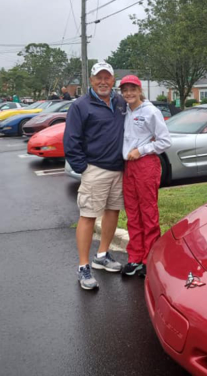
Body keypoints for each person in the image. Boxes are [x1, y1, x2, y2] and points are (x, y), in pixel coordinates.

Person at [64, 62, 127, 290]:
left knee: (112, 212)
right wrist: (83, 167)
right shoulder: (80, 105)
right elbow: (71, 139)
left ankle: (102, 255)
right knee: (89, 216)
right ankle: (83, 266)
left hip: (118, 169)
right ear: (90, 80)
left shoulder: (120, 102)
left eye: (107, 77)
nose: (103, 82)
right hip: (95, 170)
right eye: (98, 77)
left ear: (113, 80)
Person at [119, 75, 171, 278]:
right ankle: (134, 257)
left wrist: (141, 150)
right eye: (125, 90)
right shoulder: (125, 111)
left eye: (133, 89)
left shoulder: (150, 111)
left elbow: (165, 141)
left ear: (140, 90)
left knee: (148, 212)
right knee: (133, 213)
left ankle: (149, 257)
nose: (129, 93)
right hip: (128, 167)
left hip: (145, 165)